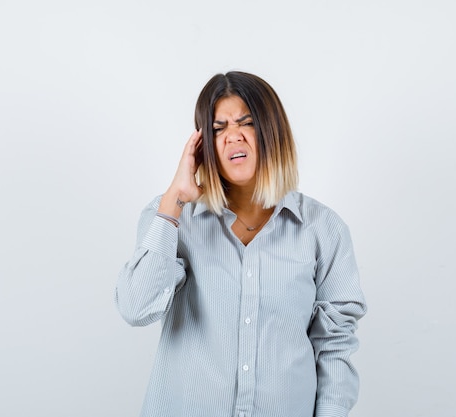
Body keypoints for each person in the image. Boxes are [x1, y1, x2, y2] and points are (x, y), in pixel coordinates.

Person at [115, 71, 367, 417]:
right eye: (218, 128)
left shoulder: (322, 229)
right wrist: (174, 200)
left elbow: (334, 343)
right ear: (203, 144)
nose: (233, 136)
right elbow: (137, 308)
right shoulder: (173, 218)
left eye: (245, 123)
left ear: (272, 132)